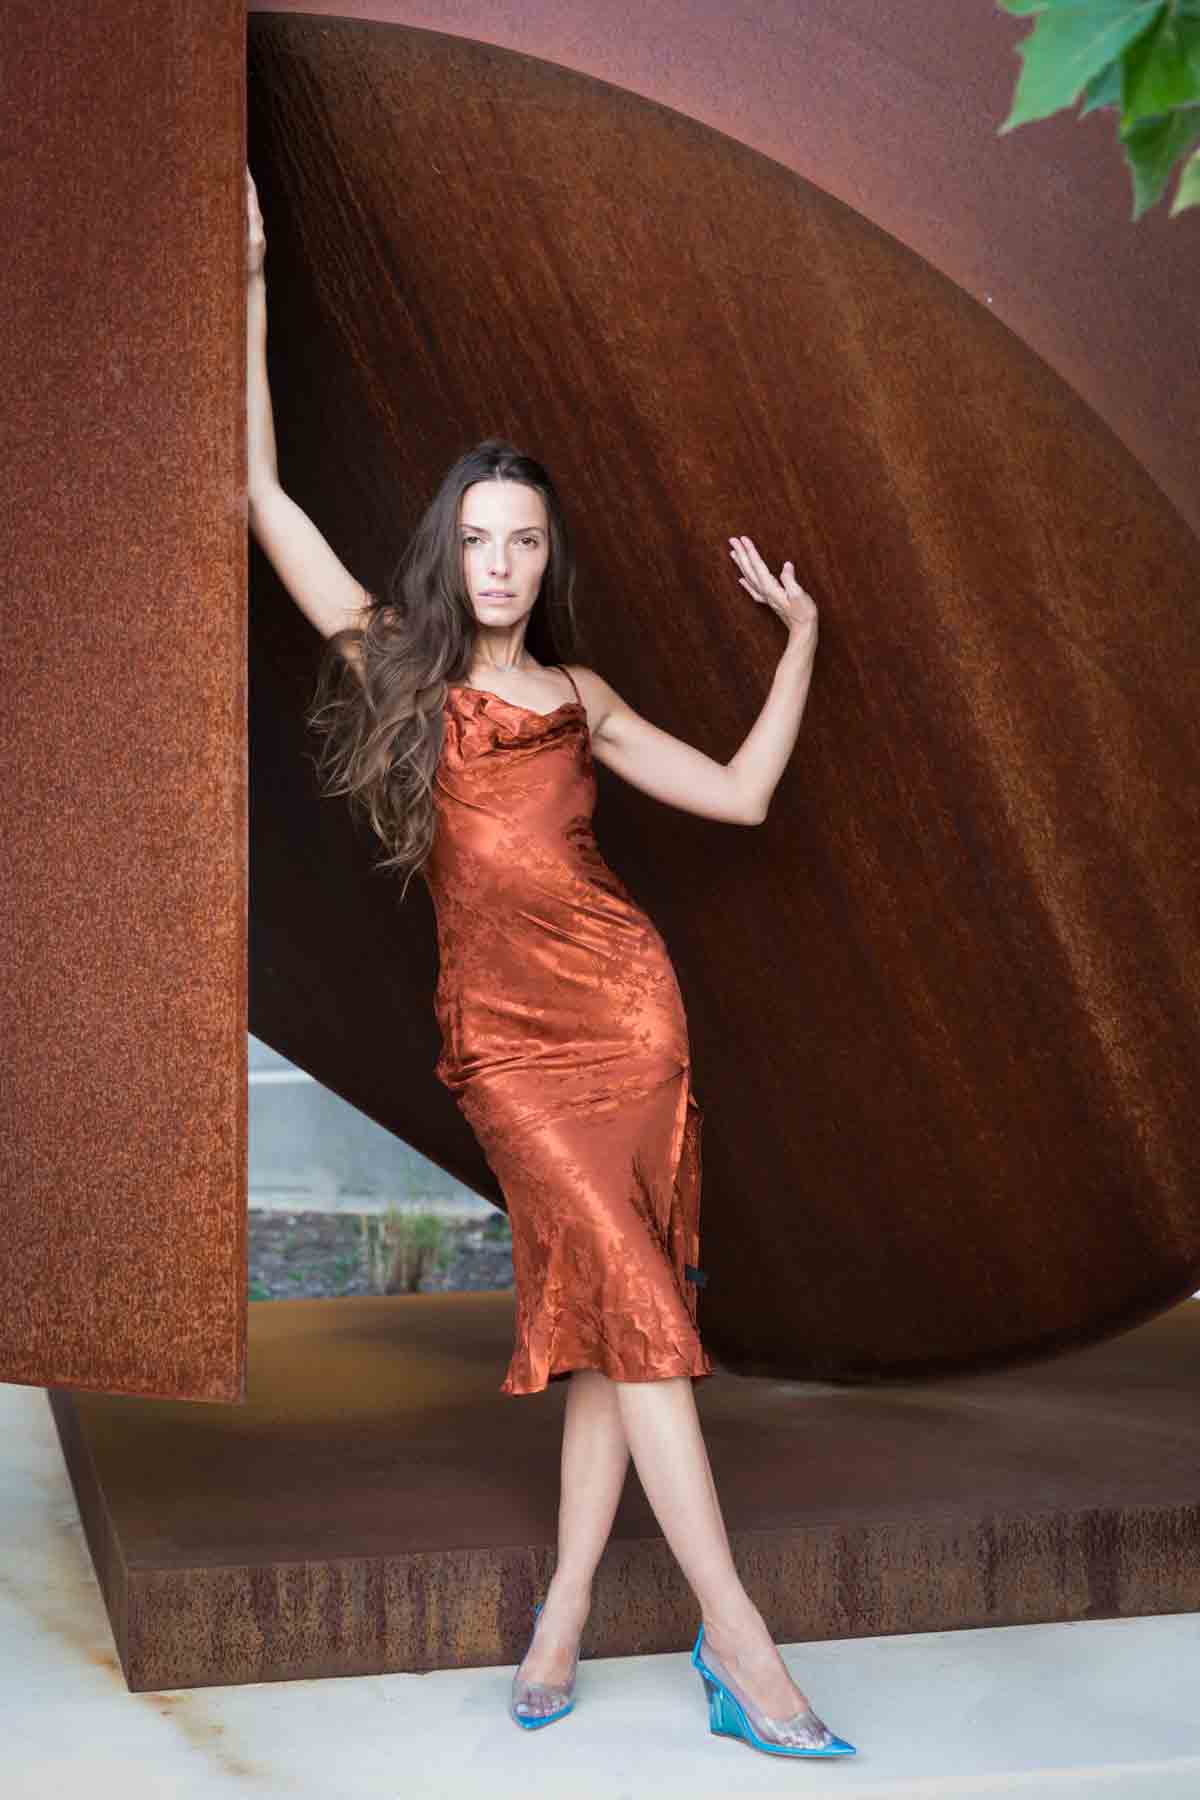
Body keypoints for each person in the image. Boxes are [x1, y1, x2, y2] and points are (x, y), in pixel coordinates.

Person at [245, 166, 854, 1760]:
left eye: (524, 540)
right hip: (511, 1048)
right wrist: (249, 288)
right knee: (634, 1304)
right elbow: (269, 506)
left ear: (544, 556)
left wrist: (798, 646)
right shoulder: (401, 662)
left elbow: (742, 795)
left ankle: (572, 1604)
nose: (502, 562)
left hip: (631, 1020)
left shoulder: (581, 691)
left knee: (612, 1315)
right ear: (452, 554)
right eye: (480, 538)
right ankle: (742, 1645)